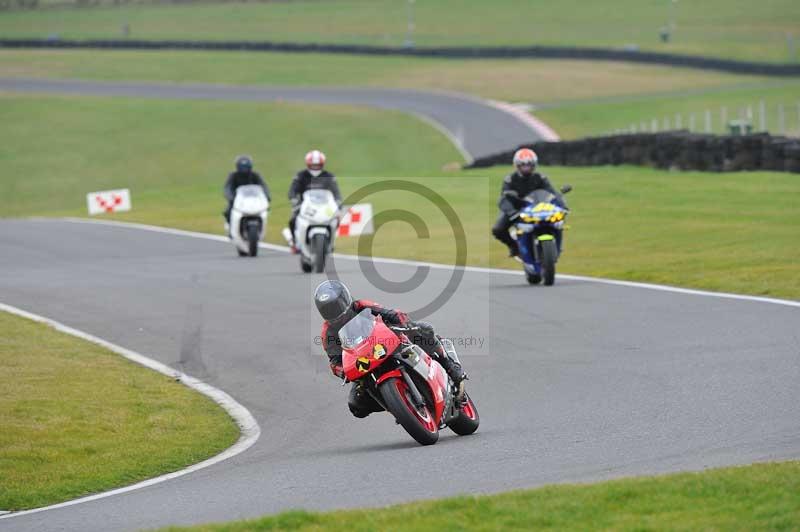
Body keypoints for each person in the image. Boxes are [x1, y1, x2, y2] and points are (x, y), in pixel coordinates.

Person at [314, 280, 467, 419]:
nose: (336, 312)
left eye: (337, 306)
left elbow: (390, 313)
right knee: (356, 405)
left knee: (424, 330)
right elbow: (334, 362)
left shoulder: (360, 306)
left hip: (387, 341)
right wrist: (344, 372)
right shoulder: (328, 332)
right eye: (329, 310)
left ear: (345, 299)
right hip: (364, 362)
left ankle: (451, 366)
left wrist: (403, 322)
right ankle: (398, 404)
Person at [491, 148, 568, 257]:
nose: (526, 167)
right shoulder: (510, 180)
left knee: (557, 221)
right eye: (523, 165)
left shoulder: (541, 178)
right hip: (516, 209)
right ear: (517, 165)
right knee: (497, 229)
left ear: (534, 165)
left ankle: (557, 247)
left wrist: (563, 206)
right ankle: (514, 246)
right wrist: (512, 212)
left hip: (538, 208)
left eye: (529, 164)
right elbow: (504, 198)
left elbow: (553, 192)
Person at [287, 150, 342, 252]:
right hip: (305, 206)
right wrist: (294, 199)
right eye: (313, 165)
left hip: (325, 206)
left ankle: (331, 241)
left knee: (336, 218)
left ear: (322, 164)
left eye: (318, 165)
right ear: (308, 164)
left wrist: (338, 201)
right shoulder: (301, 175)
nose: (315, 167)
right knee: (292, 220)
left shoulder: (329, 176)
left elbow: (336, 191)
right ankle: (295, 242)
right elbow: (292, 190)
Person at [223, 155, 271, 227]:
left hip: (253, 199)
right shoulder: (233, 176)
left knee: (265, 210)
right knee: (228, 212)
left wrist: (267, 196)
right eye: (242, 167)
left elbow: (264, 186)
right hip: (237, 200)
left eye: (246, 167)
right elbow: (227, 188)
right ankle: (230, 226)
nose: (244, 169)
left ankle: (261, 225)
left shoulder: (255, 175)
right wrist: (230, 197)